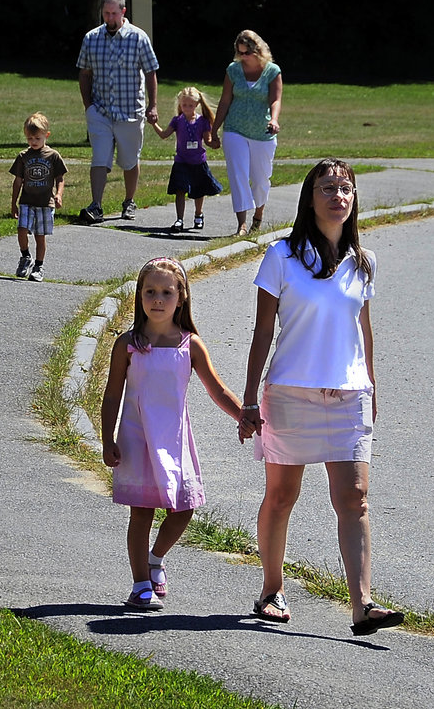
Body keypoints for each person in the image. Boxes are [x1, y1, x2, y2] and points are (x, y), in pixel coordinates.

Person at [241, 159, 404, 636]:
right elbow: (262, 332)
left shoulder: (364, 261)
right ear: (309, 198)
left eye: (345, 188)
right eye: (327, 187)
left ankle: (363, 604)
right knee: (281, 495)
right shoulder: (282, 256)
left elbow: (364, 331)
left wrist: (370, 384)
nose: (338, 195)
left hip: (350, 393)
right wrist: (249, 399)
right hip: (291, 392)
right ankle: (272, 590)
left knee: (354, 498)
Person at [101, 257, 253, 610]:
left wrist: (242, 415)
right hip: (137, 438)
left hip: (174, 439)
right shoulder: (128, 344)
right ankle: (140, 584)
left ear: (181, 297)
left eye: (166, 292)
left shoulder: (190, 345)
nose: (157, 299)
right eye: (150, 291)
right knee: (141, 512)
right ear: (139, 296)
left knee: (184, 508)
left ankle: (155, 559)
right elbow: (112, 394)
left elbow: (217, 390)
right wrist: (107, 439)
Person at [76, 0, 159, 224]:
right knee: (99, 158)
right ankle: (96, 205)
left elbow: (151, 72)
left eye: (113, 13)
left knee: (129, 160)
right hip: (101, 111)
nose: (109, 18)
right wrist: (88, 106)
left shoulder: (138, 38)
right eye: (106, 13)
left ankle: (129, 200)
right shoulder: (92, 38)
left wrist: (153, 106)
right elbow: (84, 73)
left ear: (123, 12)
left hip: (130, 111)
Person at [209, 30, 282, 237]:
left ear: (257, 51)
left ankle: (258, 217)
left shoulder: (272, 71)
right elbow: (225, 101)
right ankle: (241, 225)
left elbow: (276, 100)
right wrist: (214, 131)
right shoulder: (233, 70)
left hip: (262, 132)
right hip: (235, 129)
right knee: (237, 175)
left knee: (260, 179)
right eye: (240, 53)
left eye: (246, 53)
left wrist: (274, 119)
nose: (243, 57)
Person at [148, 87, 224, 231]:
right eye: (184, 105)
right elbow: (164, 135)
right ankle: (179, 219)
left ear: (197, 105)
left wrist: (215, 143)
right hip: (181, 161)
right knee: (180, 190)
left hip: (198, 161)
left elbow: (208, 141)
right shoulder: (177, 121)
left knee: (199, 191)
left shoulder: (203, 121)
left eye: (190, 105)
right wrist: (153, 124)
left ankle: (198, 214)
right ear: (180, 104)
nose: (187, 108)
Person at [9, 113, 68, 283]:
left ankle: (39, 266)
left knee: (39, 236)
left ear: (46, 135)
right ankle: (26, 256)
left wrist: (58, 194)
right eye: (29, 138)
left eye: (37, 138)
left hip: (45, 203)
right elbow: (18, 181)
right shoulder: (23, 156)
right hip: (27, 201)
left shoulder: (53, 156)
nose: (33, 142)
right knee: (21, 231)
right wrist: (13, 203)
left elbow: (60, 178)